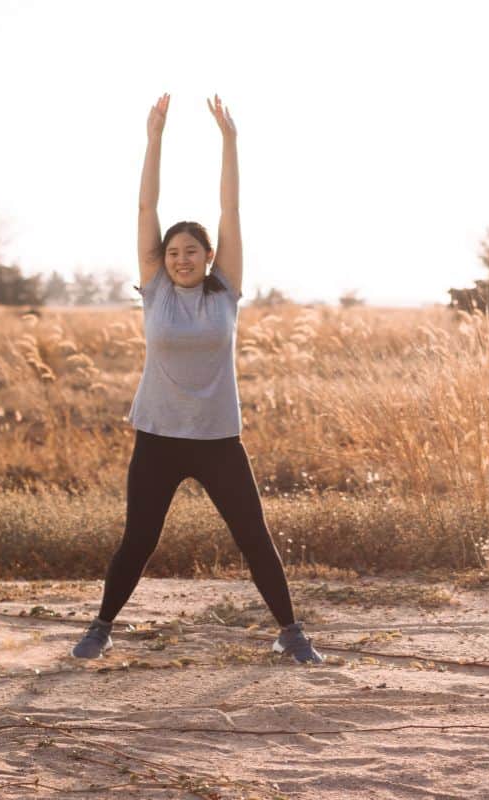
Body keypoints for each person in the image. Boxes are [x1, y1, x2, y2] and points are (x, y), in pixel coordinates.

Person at [71, 92, 324, 664]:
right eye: (173, 251)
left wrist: (229, 142)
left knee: (253, 537)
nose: (181, 258)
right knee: (140, 539)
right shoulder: (156, 288)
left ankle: (291, 633)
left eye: (192, 250)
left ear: (209, 256)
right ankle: (100, 627)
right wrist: (154, 138)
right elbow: (144, 210)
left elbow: (230, 213)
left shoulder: (225, 291)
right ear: (162, 260)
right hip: (158, 435)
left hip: (216, 439)